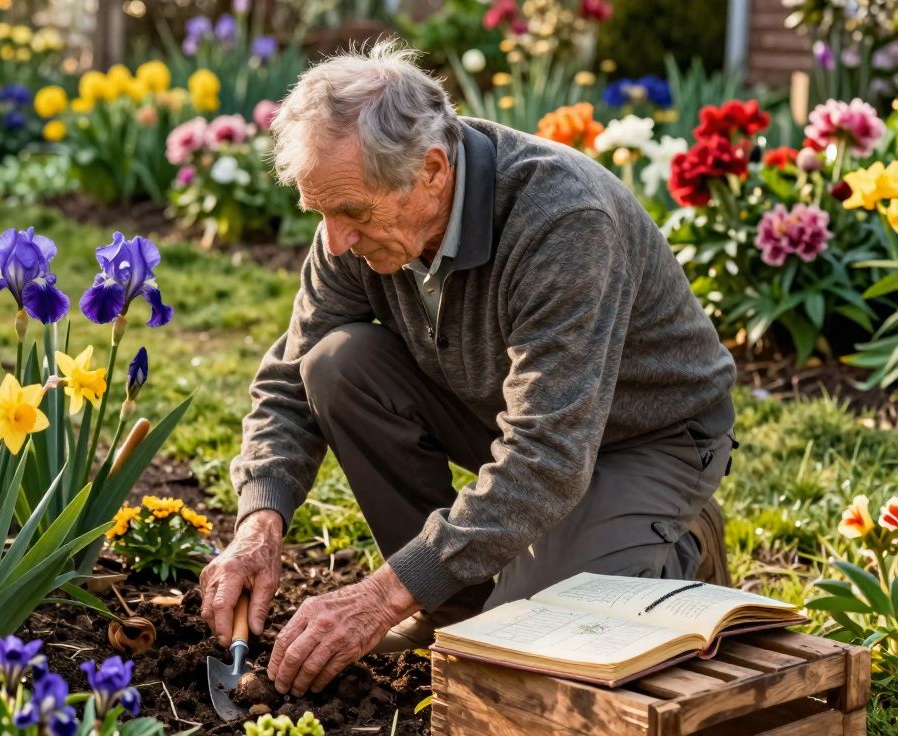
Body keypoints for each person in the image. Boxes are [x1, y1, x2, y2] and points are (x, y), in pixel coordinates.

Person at [197, 40, 738, 700]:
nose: (334, 240)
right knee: (338, 364)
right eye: (322, 213)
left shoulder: (563, 221)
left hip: (643, 439)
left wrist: (381, 595)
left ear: (431, 170)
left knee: (536, 646)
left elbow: (549, 456)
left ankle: (677, 542)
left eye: (353, 214)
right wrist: (259, 523)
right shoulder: (355, 219)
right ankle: (455, 604)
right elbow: (288, 376)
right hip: (514, 417)